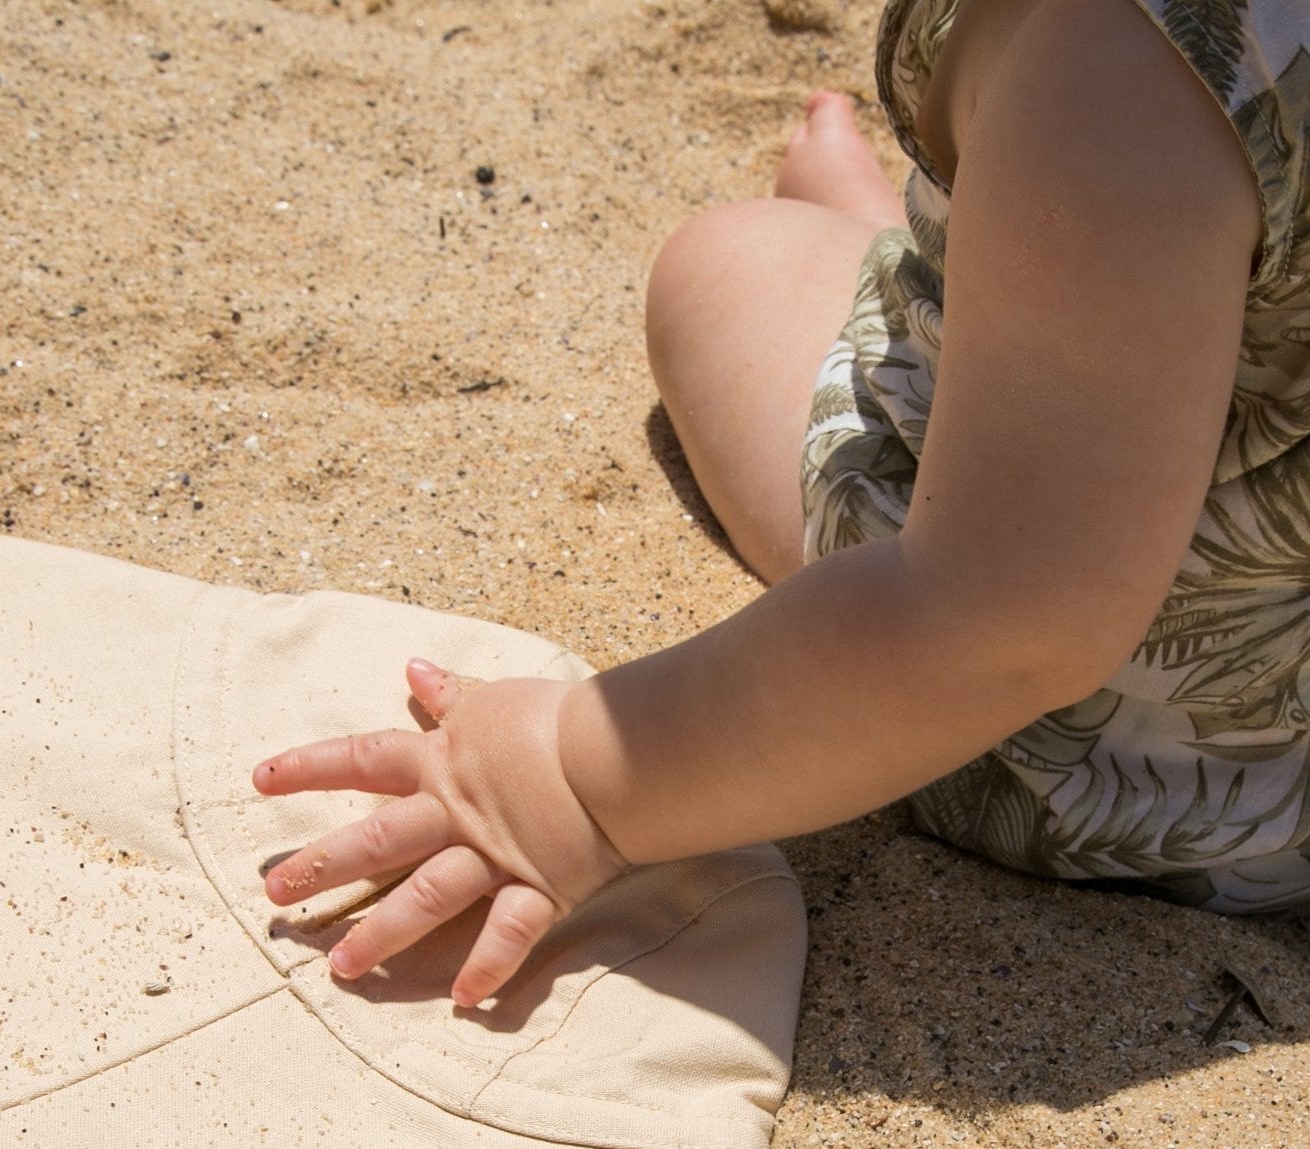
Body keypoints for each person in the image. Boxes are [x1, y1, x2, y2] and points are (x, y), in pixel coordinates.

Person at [256, 0, 1308, 1008]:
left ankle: (925, 266)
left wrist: (568, 780)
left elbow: (1000, 626)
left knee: (724, 260)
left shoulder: (1130, 63)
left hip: (1141, 770)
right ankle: (969, 261)